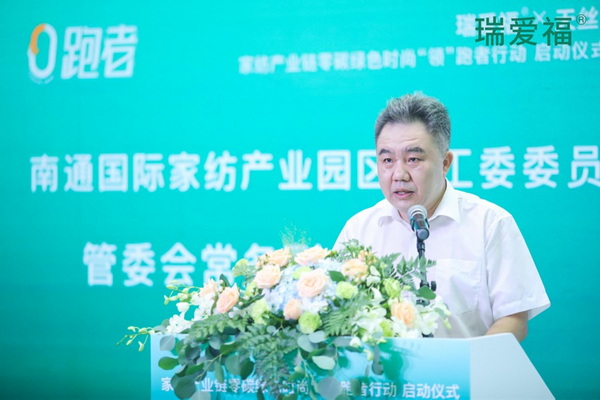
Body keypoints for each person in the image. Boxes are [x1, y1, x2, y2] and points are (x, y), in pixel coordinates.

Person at [333, 93, 550, 341]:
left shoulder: (490, 223)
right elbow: (335, 313)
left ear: (445, 163)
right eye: (387, 160)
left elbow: (514, 318)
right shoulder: (359, 230)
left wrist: (470, 361)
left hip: (466, 366)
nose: (399, 174)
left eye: (413, 159)